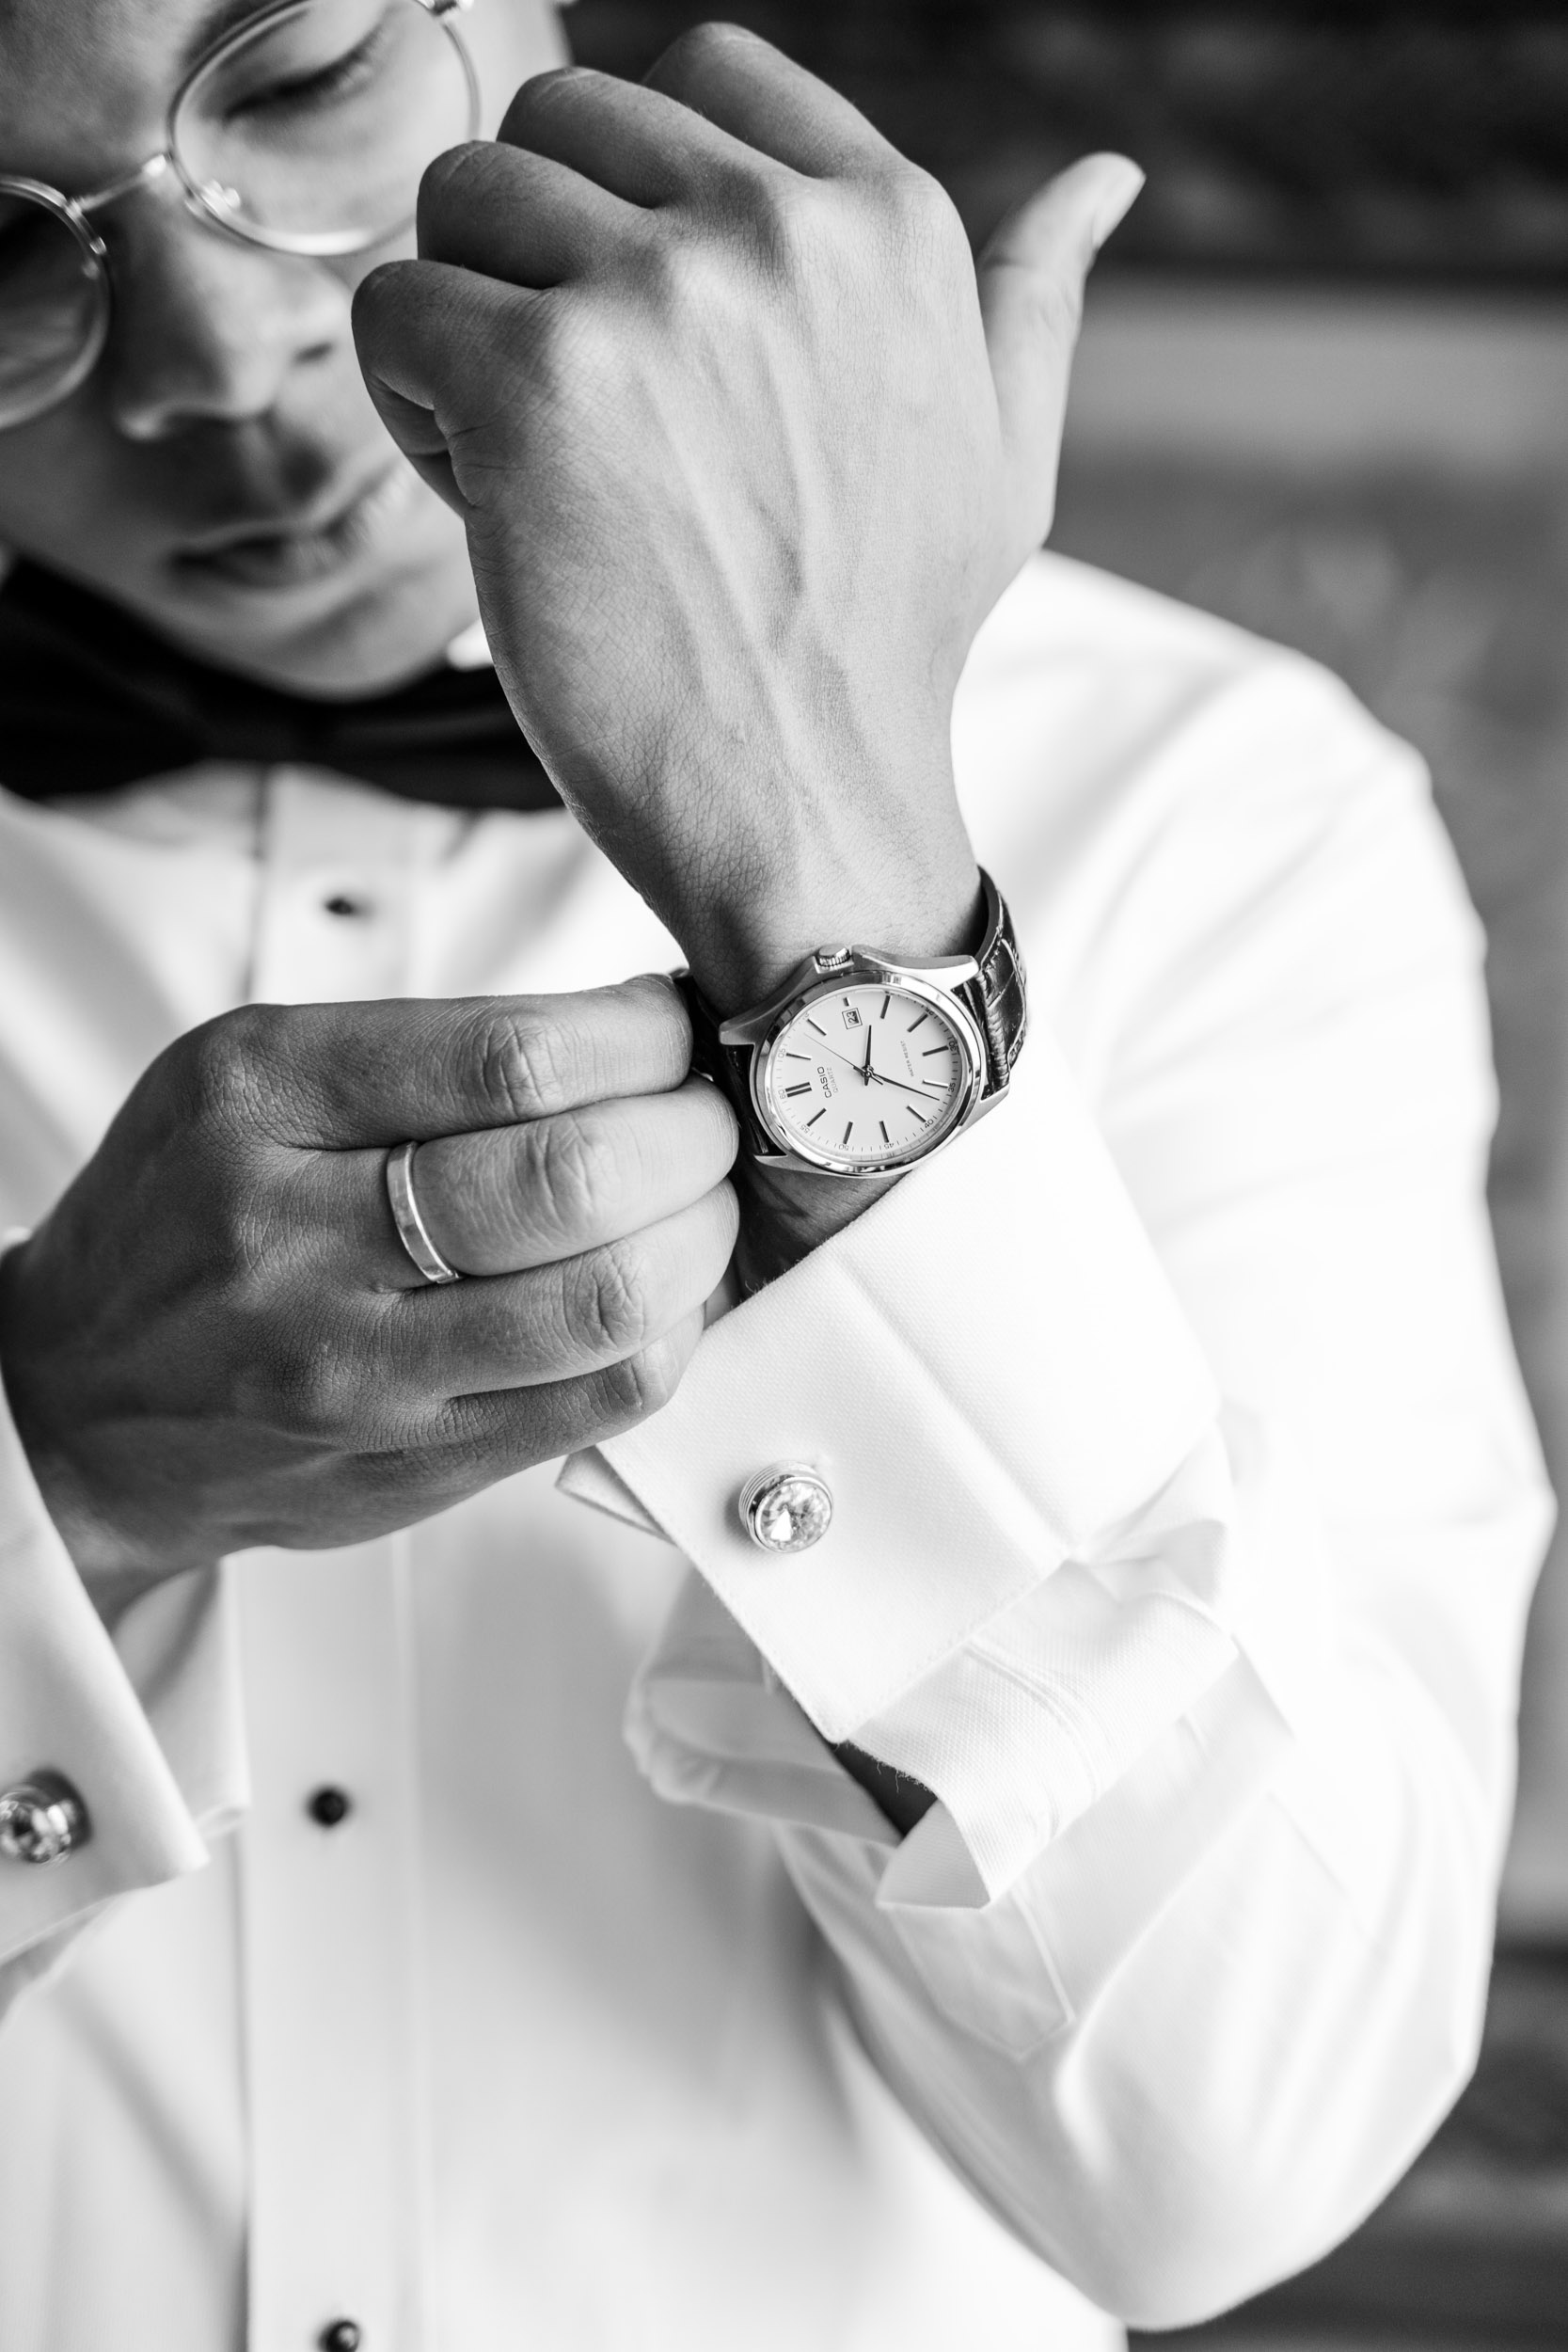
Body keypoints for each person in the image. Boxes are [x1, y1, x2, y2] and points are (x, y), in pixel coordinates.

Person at [0, 3, 1550, 2348]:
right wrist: (62, 1478)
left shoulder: (1210, 804)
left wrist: (826, 855)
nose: (213, 355)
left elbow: (1221, 2156)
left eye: (301, 82)